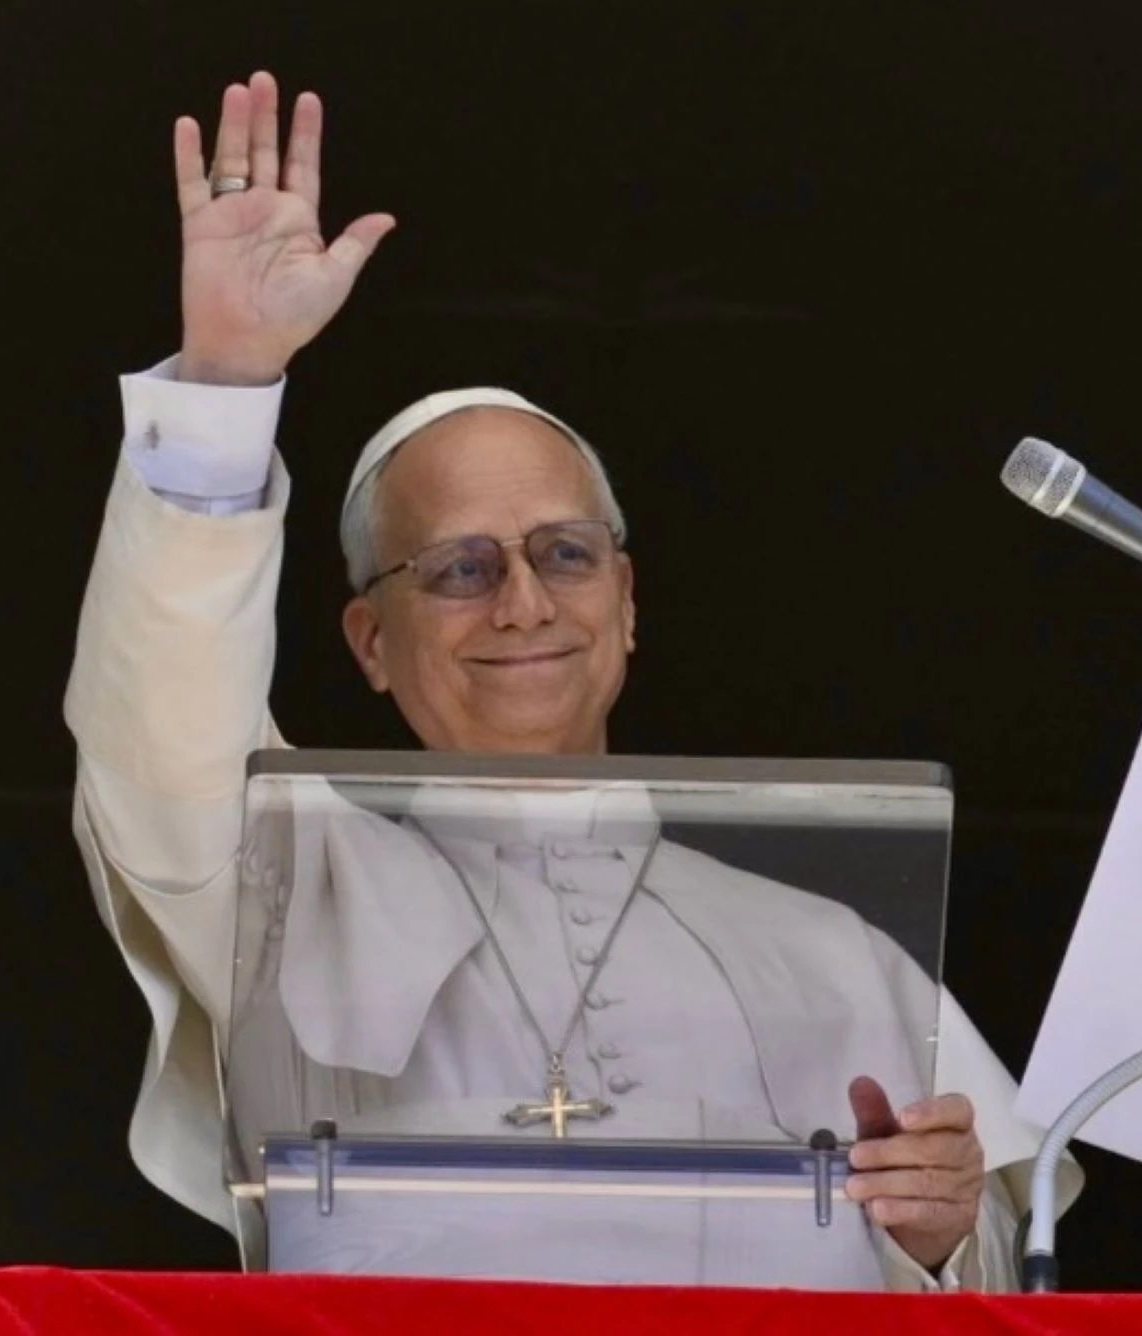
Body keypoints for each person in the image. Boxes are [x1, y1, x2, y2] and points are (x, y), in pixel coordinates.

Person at [65, 71, 1079, 1290]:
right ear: (370, 644)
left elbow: (1002, 1279)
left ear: (628, 603)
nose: (525, 602)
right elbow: (158, 737)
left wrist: (940, 1229)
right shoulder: (286, 897)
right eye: (458, 568)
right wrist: (227, 384)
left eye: (564, 553)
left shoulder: (838, 953)